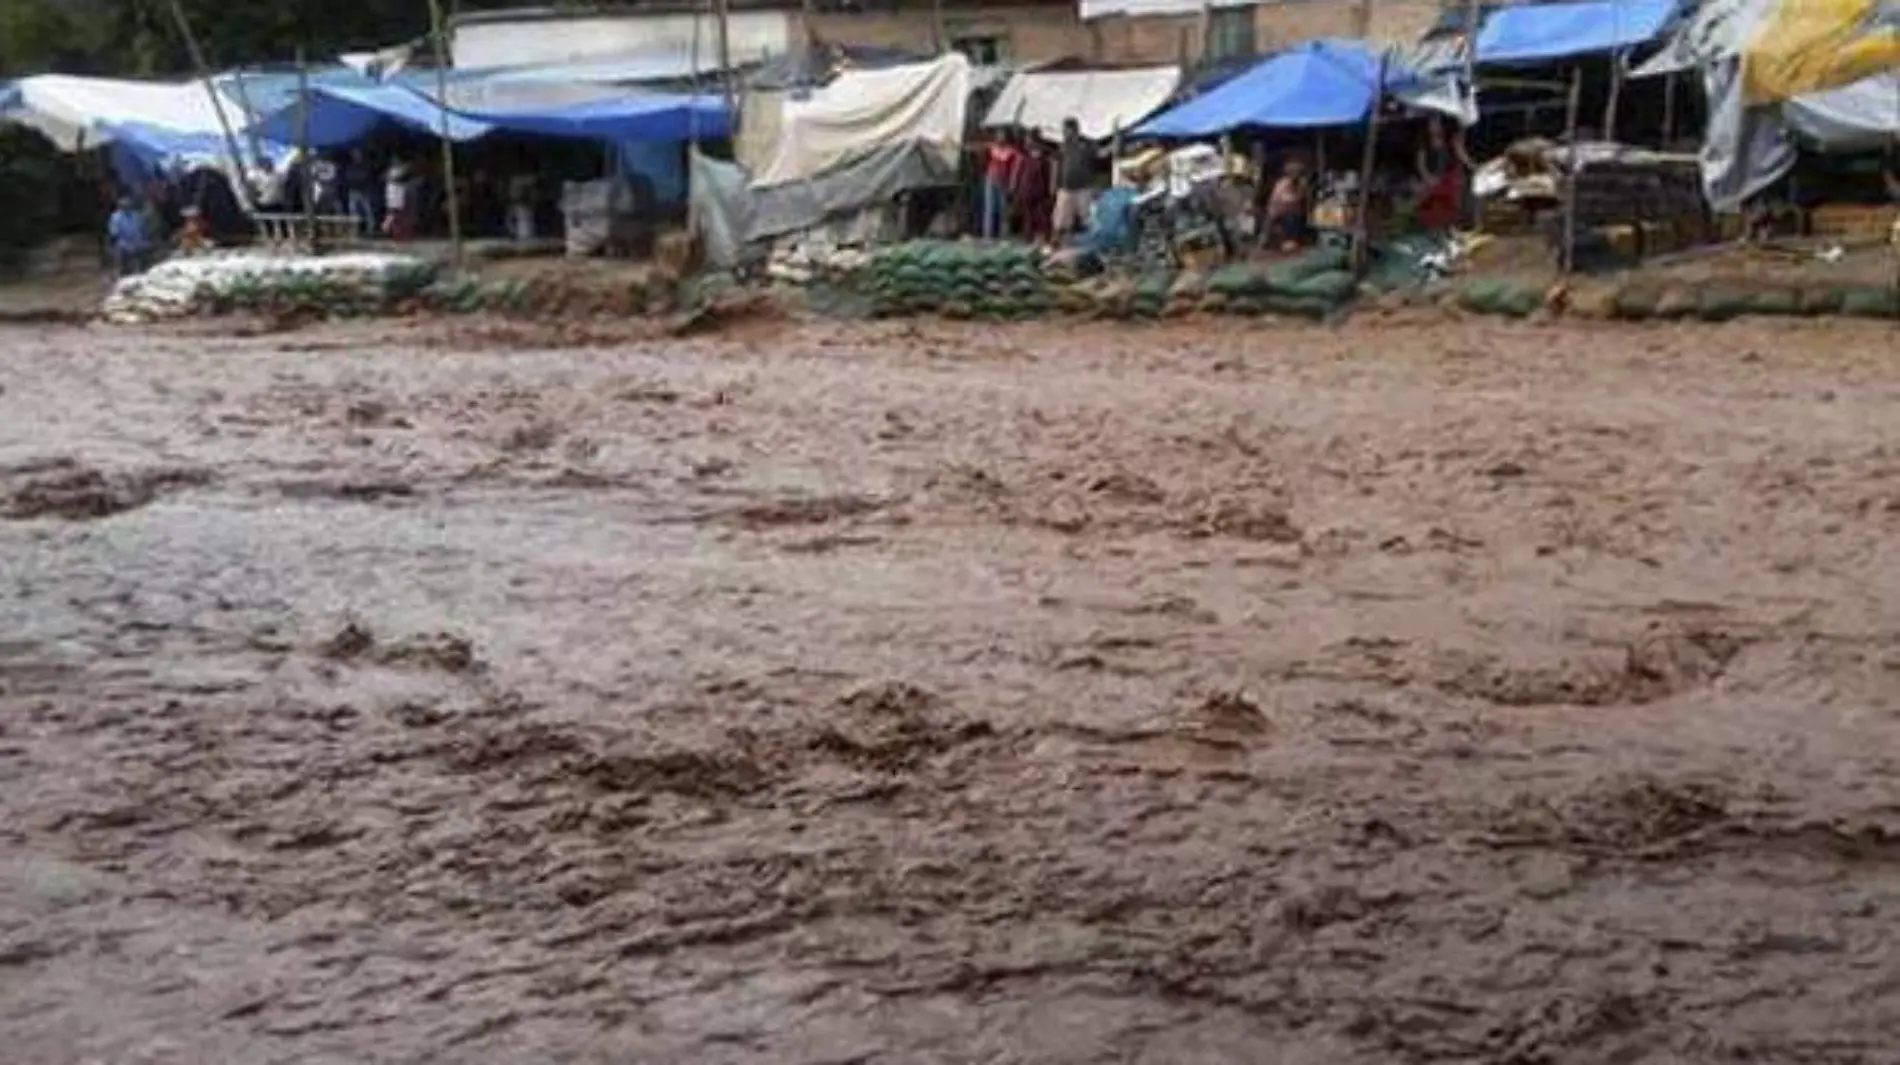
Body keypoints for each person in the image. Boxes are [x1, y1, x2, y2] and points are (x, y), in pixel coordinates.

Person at [1415, 115, 1472, 231]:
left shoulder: (1451, 139)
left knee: (1454, 198)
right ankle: (1429, 225)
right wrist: (1427, 177)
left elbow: (1460, 153)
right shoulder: (1423, 142)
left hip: (1448, 176)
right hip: (1431, 178)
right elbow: (1420, 163)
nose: (1434, 126)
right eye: (1431, 123)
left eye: (1436, 123)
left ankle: (1451, 226)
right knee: (1427, 198)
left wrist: (1471, 165)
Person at [1054, 118, 1097, 242]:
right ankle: (1063, 243)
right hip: (1066, 187)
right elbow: (1059, 163)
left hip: (1082, 187)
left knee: (1087, 219)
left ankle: (1090, 242)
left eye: (1066, 130)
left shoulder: (1086, 144)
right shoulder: (1063, 145)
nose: (1064, 133)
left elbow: (1099, 156)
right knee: (1062, 221)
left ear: (1074, 130)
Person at [1262, 157, 1313, 250]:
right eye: (1294, 172)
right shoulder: (1282, 184)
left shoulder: (1301, 184)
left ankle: (1299, 240)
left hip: (1295, 212)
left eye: (1298, 173)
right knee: (1291, 217)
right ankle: (1289, 241)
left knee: (1301, 217)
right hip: (1278, 213)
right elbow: (1282, 200)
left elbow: (1306, 198)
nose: (1296, 175)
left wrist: (1305, 194)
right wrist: (1297, 197)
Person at [981, 131, 1021, 240]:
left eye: (1002, 136)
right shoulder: (993, 148)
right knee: (990, 209)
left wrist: (1012, 185)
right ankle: (988, 236)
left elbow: (1014, 171)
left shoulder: (1012, 153)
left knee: (1003, 210)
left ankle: (1003, 236)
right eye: (998, 136)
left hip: (1004, 182)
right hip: (991, 179)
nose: (1000, 139)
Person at [107, 196, 151, 277]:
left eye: (128, 205)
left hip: (136, 244)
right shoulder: (116, 217)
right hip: (123, 245)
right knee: (122, 259)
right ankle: (122, 273)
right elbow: (114, 234)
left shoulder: (136, 215)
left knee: (141, 257)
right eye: (124, 206)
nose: (126, 207)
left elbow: (143, 230)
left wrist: (144, 241)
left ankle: (139, 272)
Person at [382, 159, 415, 240]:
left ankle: (396, 231)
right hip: (395, 196)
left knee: (399, 215)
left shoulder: (396, 174)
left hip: (398, 196)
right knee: (394, 213)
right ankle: (386, 226)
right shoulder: (394, 173)